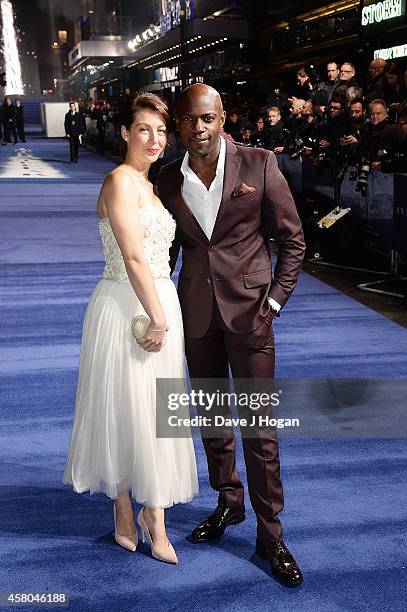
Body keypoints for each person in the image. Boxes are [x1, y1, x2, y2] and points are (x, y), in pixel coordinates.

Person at [158, 84, 305, 587]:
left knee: (259, 430)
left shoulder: (260, 164)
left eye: (206, 119)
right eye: (188, 120)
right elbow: (168, 251)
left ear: (222, 118)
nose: (197, 128)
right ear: (178, 124)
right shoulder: (167, 180)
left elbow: (292, 239)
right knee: (214, 419)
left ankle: (271, 533)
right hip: (196, 317)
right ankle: (229, 502)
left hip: (251, 316)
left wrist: (275, 301)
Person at [63, 93, 198, 563]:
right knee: (125, 408)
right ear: (124, 132)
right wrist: (157, 316)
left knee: (156, 412)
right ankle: (124, 506)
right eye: (144, 129)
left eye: (161, 131)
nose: (154, 139)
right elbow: (134, 256)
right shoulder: (120, 181)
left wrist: (165, 314)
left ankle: (152, 514)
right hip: (127, 306)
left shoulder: (153, 186)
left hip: (160, 304)